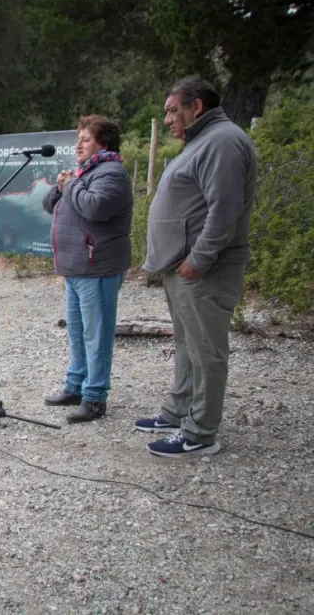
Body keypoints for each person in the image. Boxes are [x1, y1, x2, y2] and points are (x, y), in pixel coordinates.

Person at [136, 76, 257, 458]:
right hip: (183, 267)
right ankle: (178, 412)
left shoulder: (223, 141)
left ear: (197, 106)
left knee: (206, 352)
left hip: (204, 270)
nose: (167, 119)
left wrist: (199, 259)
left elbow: (224, 211)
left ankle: (201, 433)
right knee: (187, 345)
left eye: (173, 110)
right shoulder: (202, 141)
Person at [42, 116, 133, 423]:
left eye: (86, 139)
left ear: (103, 144)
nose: (78, 145)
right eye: (78, 139)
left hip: (98, 267)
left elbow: (94, 207)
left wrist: (72, 185)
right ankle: (76, 386)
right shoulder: (83, 173)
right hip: (76, 268)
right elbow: (49, 206)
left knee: (97, 335)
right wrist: (60, 188)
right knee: (78, 333)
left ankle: (95, 397)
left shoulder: (112, 173)